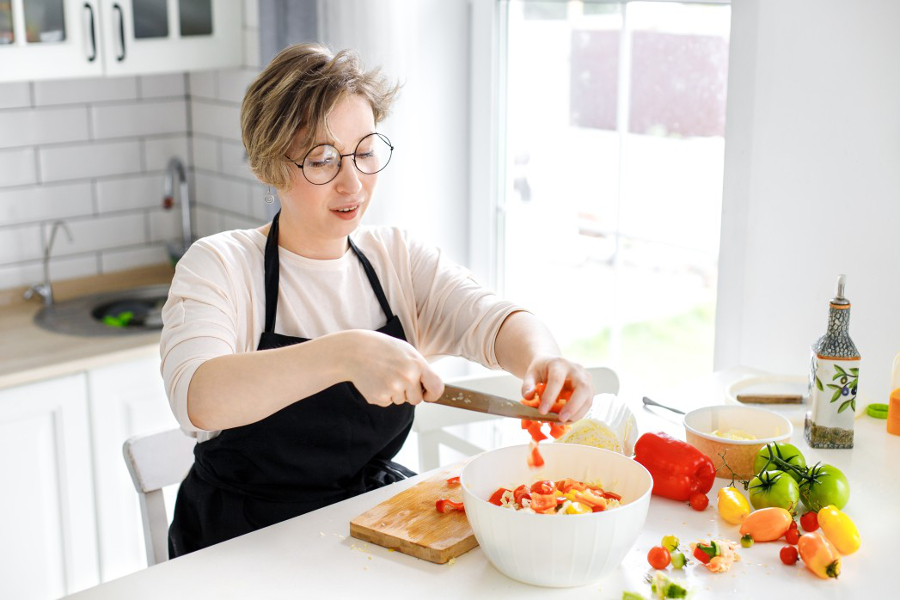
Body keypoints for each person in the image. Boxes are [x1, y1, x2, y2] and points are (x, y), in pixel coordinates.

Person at [160, 43, 595, 558]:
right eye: (322, 160)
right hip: (236, 544)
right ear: (269, 167)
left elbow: (492, 319)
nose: (353, 183)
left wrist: (542, 358)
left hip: (365, 528)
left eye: (365, 152)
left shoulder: (396, 258)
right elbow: (199, 399)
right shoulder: (220, 265)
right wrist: (343, 355)